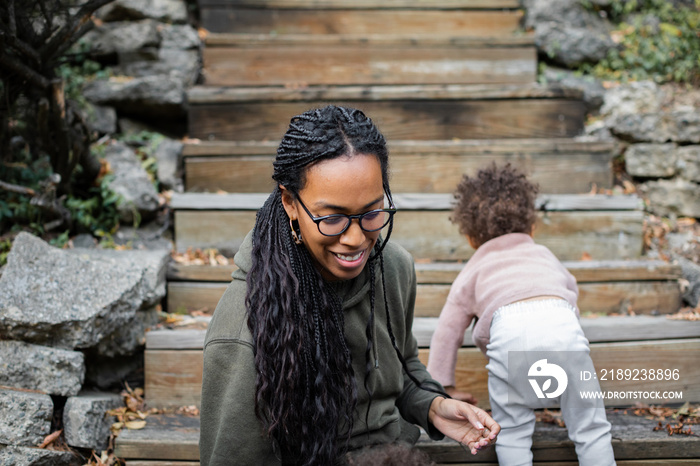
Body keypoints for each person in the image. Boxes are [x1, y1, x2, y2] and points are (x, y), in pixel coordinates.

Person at [199, 105, 499, 466]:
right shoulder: (244, 328)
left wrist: (432, 406)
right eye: (333, 218)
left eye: (371, 213)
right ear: (290, 203)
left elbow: (401, 365)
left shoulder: (393, 267)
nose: (356, 239)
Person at [427, 163, 616, 466]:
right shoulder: (545, 255)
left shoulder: (473, 269)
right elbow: (570, 292)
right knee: (591, 426)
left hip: (509, 335)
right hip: (562, 327)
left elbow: (447, 332)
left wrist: (443, 386)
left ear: (471, 238)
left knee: (512, 430)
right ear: (531, 226)